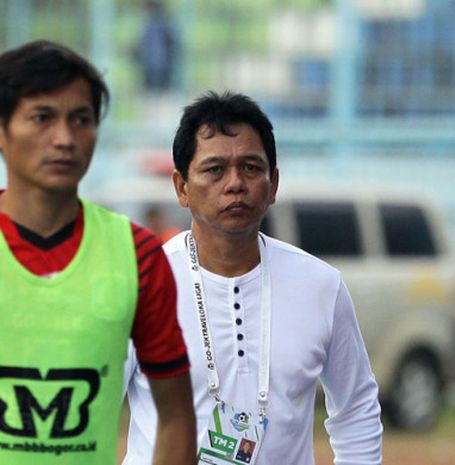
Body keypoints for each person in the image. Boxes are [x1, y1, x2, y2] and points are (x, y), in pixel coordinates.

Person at [122, 91, 383, 465]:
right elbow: (96, 408)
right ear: (181, 187)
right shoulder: (142, 282)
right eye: (214, 170)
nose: (235, 184)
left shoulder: (320, 285)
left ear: (273, 183)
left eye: (251, 167)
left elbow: (356, 408)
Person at [0, 40, 196, 464]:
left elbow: (177, 415)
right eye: (42, 117)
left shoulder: (137, 255)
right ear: (2, 130)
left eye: (81, 119)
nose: (65, 138)